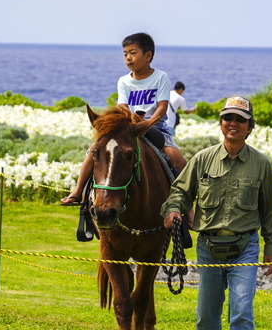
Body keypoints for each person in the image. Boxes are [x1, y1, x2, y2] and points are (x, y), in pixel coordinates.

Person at [161, 96, 272, 330]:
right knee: (206, 314)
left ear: (250, 127)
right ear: (221, 124)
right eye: (228, 118)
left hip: (245, 248)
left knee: (241, 310)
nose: (233, 124)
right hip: (208, 247)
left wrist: (271, 249)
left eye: (240, 119)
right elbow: (180, 192)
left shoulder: (262, 165)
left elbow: (270, 210)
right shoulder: (202, 159)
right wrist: (174, 210)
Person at [61, 32, 188, 205]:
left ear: (148, 55)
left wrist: (147, 123)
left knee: (178, 161)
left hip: (156, 127)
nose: (128, 57)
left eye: (133, 52)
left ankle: (186, 207)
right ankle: (77, 192)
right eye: (125, 54)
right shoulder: (123, 81)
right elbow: (123, 108)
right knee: (94, 152)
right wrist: (131, 121)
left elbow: (162, 108)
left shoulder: (160, 77)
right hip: (128, 128)